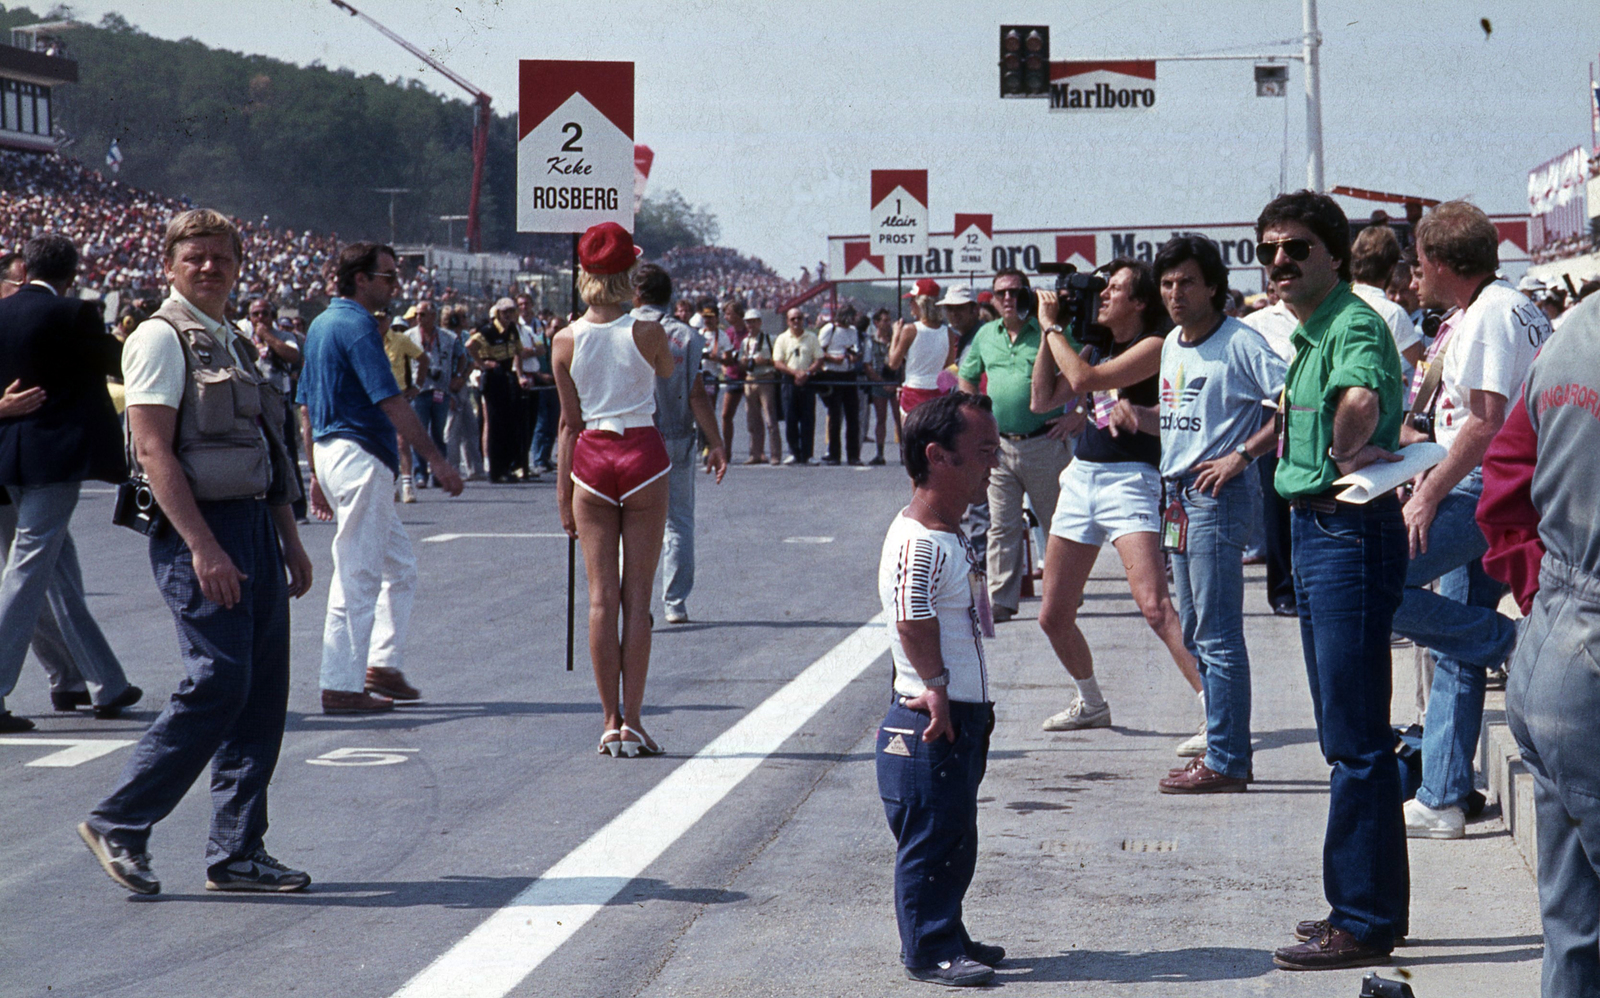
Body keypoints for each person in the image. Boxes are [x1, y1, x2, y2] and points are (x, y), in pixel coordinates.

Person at [79, 209, 313, 895]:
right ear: (170, 267)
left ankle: (239, 852)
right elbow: (153, 450)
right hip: (198, 530)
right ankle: (121, 819)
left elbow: (268, 447)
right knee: (220, 680)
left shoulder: (233, 341)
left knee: (263, 693)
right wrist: (203, 548)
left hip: (254, 528)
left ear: (239, 266)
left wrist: (290, 540)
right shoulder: (159, 338)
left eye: (221, 258)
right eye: (196, 259)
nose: (210, 268)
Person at [1257, 190, 1409, 972]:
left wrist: (1353, 449)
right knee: (1347, 735)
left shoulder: (1349, 324)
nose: (1279, 262)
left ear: (1334, 255)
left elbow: (1356, 401)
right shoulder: (1311, 332)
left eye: (1296, 249)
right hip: (1318, 531)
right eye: (1270, 250)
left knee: (1354, 740)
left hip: (1347, 532)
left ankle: (1363, 916)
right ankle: (1366, 904)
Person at [1391, 201, 1550, 839]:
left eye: (1419, 260)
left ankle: (1506, 643)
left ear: (1442, 261)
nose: (1413, 275)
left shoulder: (1491, 315)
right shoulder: (1494, 310)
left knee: (1376, 583)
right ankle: (1445, 794)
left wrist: (1428, 494)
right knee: (1453, 640)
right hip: (1485, 480)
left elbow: (1486, 420)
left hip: (1485, 486)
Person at [1477, 291, 1600, 997]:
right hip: (1580, 648)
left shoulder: (1571, 332)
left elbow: (1505, 485)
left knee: (1573, 930)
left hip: (1553, 645)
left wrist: (1547, 597)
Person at [1028, 259, 1202, 734]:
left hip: (1131, 479)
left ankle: (1216, 713)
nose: (1101, 295)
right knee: (1053, 616)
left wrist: (1051, 329)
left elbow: (1083, 381)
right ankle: (1091, 702)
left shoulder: (1155, 345)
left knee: (1155, 607)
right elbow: (1042, 399)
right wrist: (1052, 333)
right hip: (1082, 476)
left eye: (1114, 289)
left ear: (1140, 301)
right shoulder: (1092, 345)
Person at [1139, 236, 1287, 791]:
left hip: (1217, 497)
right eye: (1168, 283)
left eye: (1187, 282)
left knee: (1220, 632)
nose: (1176, 293)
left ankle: (1228, 759)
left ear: (1214, 288)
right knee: (1197, 627)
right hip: (1177, 495)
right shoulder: (1174, 344)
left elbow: (1294, 402)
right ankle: (1221, 747)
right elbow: (1186, 416)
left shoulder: (1240, 343)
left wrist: (1243, 455)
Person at [301, 242, 464, 715]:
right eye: (388, 276)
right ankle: (341, 684)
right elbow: (391, 400)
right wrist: (436, 458)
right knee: (358, 572)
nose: (396, 285)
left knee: (399, 568)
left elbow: (309, 404)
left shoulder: (321, 324)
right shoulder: (356, 327)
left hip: (336, 452)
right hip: (359, 456)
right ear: (361, 279)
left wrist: (315, 470)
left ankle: (382, 664)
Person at [875, 390, 1003, 989]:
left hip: (960, 712)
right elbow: (911, 616)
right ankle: (929, 949)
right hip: (934, 717)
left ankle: (948, 930)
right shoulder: (920, 540)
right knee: (932, 840)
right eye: (983, 452)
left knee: (955, 835)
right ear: (937, 456)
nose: (993, 465)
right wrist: (936, 687)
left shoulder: (945, 531)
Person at [0, 234, 139, 732]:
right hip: (52, 459)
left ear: (23, 266)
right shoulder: (72, 314)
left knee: (52, 572)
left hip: (6, 458)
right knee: (29, 571)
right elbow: (121, 363)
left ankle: (98, 680)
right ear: (71, 274)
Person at [553, 223, 676, 757]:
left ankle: (608, 720)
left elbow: (567, 423)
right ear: (628, 274)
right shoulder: (648, 332)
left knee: (600, 599)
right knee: (637, 599)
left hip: (591, 460)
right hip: (642, 451)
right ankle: (635, 719)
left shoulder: (563, 338)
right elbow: (668, 374)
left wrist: (563, 496)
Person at [957, 268, 1074, 623]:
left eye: (1015, 292)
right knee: (1001, 525)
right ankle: (1002, 600)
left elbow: (1084, 367)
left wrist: (1079, 412)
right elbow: (967, 376)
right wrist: (974, 417)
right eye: (1000, 293)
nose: (1008, 298)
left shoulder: (1048, 331)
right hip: (1000, 448)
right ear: (992, 300)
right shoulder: (984, 336)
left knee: (1058, 525)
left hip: (1044, 442)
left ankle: (1066, 596)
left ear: (1027, 294)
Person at [632, 264, 728, 625]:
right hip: (676, 435)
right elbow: (697, 394)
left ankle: (634, 599)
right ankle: (675, 601)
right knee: (679, 521)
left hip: (635, 436)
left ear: (638, 294)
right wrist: (716, 443)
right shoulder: (686, 336)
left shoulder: (623, 329)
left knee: (634, 522)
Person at [406, 300, 467, 491]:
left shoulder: (448, 337)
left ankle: (439, 473)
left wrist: (458, 376)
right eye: (417, 314)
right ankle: (420, 473)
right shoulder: (409, 337)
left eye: (423, 314)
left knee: (439, 434)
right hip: (420, 390)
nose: (419, 318)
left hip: (442, 389)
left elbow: (463, 357)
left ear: (433, 316)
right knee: (419, 431)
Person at [468, 298, 525, 483]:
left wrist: (520, 374)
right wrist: (483, 364)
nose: (508, 315)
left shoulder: (512, 329)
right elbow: (470, 345)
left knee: (509, 423)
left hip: (507, 375)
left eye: (511, 311)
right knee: (495, 423)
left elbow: (518, 351)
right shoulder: (488, 331)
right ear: (498, 313)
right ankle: (495, 470)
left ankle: (507, 467)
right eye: (505, 312)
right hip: (493, 377)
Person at [890, 279, 958, 415]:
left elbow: (893, 363)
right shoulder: (949, 333)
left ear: (920, 302)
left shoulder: (910, 330)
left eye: (912, 300)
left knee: (912, 435)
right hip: (938, 396)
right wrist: (940, 390)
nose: (910, 304)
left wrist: (895, 335)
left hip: (913, 393)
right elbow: (951, 369)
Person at [382, 313, 424, 502]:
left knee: (401, 441)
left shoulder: (401, 339)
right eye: (375, 318)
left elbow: (423, 359)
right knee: (381, 443)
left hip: (398, 395)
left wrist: (417, 386)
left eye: (382, 318)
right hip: (376, 398)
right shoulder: (367, 339)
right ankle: (390, 484)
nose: (379, 322)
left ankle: (407, 485)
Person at [774, 307, 822, 464]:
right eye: (792, 319)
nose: (796, 321)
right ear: (788, 321)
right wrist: (794, 373)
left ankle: (808, 454)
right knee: (790, 418)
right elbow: (778, 362)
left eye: (799, 318)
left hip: (807, 380)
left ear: (804, 320)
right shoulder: (782, 338)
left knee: (808, 418)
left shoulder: (812, 337)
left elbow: (819, 359)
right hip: (789, 381)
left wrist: (806, 373)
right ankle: (794, 452)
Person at [817, 305, 863, 465]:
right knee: (835, 415)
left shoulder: (853, 331)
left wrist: (854, 357)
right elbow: (818, 352)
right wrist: (832, 358)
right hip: (833, 373)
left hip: (849, 374)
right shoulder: (829, 329)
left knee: (853, 416)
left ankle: (853, 455)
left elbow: (855, 350)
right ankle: (834, 453)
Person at [739, 309, 782, 465]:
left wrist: (766, 361)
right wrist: (744, 361)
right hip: (750, 379)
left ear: (759, 322)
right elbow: (740, 364)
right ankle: (756, 453)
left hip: (766, 378)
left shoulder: (770, 339)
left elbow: (777, 361)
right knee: (752, 419)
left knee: (770, 419)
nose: (750, 325)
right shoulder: (745, 342)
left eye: (753, 321)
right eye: (748, 322)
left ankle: (775, 454)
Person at [865, 307, 901, 465]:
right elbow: (868, 365)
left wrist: (896, 383)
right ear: (876, 323)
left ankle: (904, 453)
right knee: (880, 419)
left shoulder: (897, 338)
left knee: (899, 420)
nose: (888, 324)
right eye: (884, 321)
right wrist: (881, 381)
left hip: (896, 383)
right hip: (879, 383)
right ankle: (880, 454)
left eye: (889, 320)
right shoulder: (870, 341)